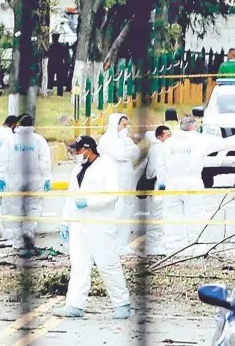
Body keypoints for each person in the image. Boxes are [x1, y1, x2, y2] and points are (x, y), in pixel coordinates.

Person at [53, 136, 132, 320]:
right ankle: (74, 304)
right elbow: (70, 197)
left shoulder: (107, 166)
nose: (75, 153)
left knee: (108, 264)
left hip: (100, 224)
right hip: (79, 225)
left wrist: (88, 202)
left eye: (78, 150)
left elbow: (112, 196)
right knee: (79, 265)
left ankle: (122, 303)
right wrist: (66, 221)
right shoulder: (77, 169)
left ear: (88, 149)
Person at [162, 117, 235, 253]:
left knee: (172, 218)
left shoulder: (168, 143)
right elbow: (221, 144)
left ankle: (172, 250)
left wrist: (162, 182)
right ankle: (197, 250)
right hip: (192, 183)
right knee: (195, 218)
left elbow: (161, 162)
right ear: (193, 127)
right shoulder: (199, 140)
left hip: (173, 184)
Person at [2, 114, 52, 250]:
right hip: (34, 180)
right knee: (34, 207)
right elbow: (45, 160)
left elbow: (3, 160)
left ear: (18, 124)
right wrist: (47, 177)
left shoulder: (11, 140)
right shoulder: (38, 140)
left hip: (15, 180)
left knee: (16, 208)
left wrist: (2, 178)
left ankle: (18, 241)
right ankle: (28, 232)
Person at [97, 113, 141, 256]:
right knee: (116, 212)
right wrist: (128, 149)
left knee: (127, 213)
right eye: (123, 125)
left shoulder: (125, 140)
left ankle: (122, 244)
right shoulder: (106, 140)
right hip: (113, 182)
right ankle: (111, 245)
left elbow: (137, 152)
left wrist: (128, 148)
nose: (126, 128)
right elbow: (120, 154)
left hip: (127, 180)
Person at [141, 125, 171, 256]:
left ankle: (156, 244)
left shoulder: (158, 147)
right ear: (160, 136)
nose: (170, 137)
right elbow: (153, 170)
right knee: (156, 215)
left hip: (158, 185)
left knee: (158, 215)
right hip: (158, 186)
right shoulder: (158, 148)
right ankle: (153, 246)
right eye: (167, 135)